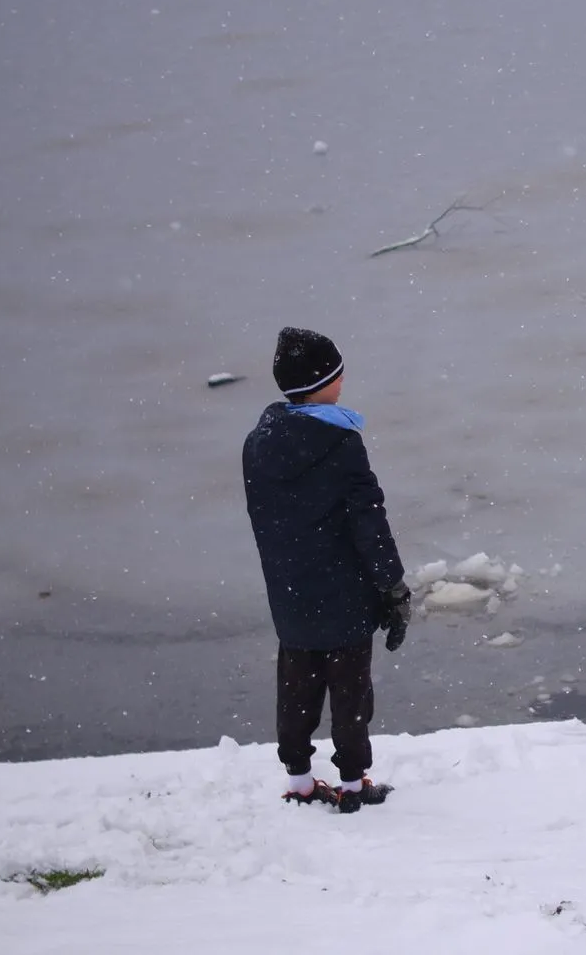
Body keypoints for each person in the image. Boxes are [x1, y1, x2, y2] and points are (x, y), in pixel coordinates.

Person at [242, 327, 413, 812]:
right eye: (337, 374)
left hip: (291, 590)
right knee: (350, 695)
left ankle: (298, 778)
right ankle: (355, 785)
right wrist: (392, 587)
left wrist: (286, 573)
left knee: (296, 685)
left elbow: (266, 520)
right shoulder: (339, 443)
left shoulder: (258, 443)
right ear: (321, 382)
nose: (343, 381)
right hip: (344, 593)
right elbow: (369, 522)